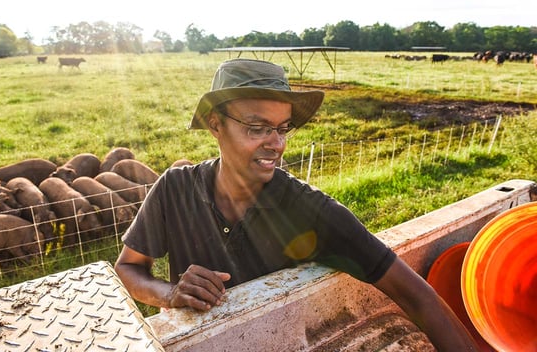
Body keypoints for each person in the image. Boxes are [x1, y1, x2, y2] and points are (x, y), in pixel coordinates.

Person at [114, 59, 479, 351]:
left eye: (283, 128)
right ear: (215, 124)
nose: (276, 144)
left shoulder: (312, 212)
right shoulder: (175, 188)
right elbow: (129, 269)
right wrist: (170, 293)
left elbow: (417, 296)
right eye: (256, 127)